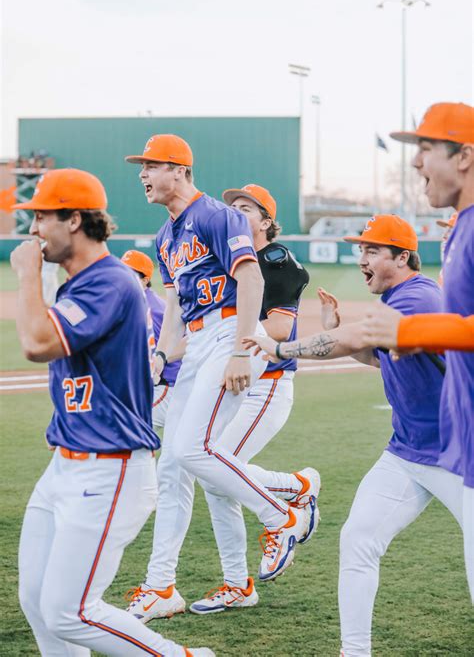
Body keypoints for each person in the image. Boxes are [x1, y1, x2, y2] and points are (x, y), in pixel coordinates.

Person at [11, 168, 214, 657]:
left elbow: (37, 343)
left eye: (41, 217)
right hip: (66, 462)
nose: (34, 229)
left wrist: (27, 273)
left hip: (110, 467)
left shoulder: (111, 281)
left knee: (70, 610)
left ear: (75, 220)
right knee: (37, 601)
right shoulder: (83, 283)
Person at [244, 213, 466, 657]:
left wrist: (283, 347)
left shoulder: (418, 296)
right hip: (406, 455)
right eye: (359, 249)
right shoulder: (399, 299)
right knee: (358, 540)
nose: (360, 258)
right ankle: (354, 651)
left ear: (402, 257)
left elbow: (359, 338)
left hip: (459, 458)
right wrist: (330, 330)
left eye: (371, 250)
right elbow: (383, 357)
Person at [123, 136, 316, 622]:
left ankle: (283, 515)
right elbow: (173, 306)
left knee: (191, 449)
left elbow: (249, 279)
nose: (143, 176)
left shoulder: (214, 215)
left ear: (180, 170)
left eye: (151, 166)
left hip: (232, 332)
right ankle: (161, 586)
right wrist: (160, 355)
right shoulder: (167, 236)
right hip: (199, 339)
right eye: (141, 168)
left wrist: (237, 349)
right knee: (174, 466)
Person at [361, 101, 474, 602]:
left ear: (465, 156)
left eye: (426, 148)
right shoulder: (460, 227)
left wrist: (410, 331)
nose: (415, 162)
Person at [189, 184, 319, 615]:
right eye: (231, 207)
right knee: (214, 475)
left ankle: (286, 508)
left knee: (214, 468)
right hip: (234, 380)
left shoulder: (276, 261)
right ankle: (294, 488)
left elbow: (280, 330)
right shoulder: (227, 259)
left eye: (245, 208)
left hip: (265, 384)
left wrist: (239, 343)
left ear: (266, 222)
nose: (234, 213)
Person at [121, 249, 181, 431]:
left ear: (145, 280)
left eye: (129, 273)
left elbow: (155, 354)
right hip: (153, 386)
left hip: (165, 386)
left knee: (129, 427)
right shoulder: (136, 301)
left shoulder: (151, 309)